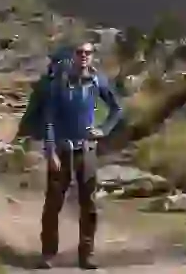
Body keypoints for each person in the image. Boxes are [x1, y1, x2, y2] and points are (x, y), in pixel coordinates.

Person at [37, 41, 123, 270]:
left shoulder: (97, 81)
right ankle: (48, 253)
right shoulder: (59, 84)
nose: (84, 56)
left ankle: (87, 255)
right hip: (62, 150)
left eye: (88, 52)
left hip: (86, 150)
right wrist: (50, 151)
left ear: (93, 56)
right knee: (53, 204)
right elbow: (49, 119)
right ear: (72, 56)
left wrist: (103, 130)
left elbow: (117, 109)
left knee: (89, 205)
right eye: (80, 52)